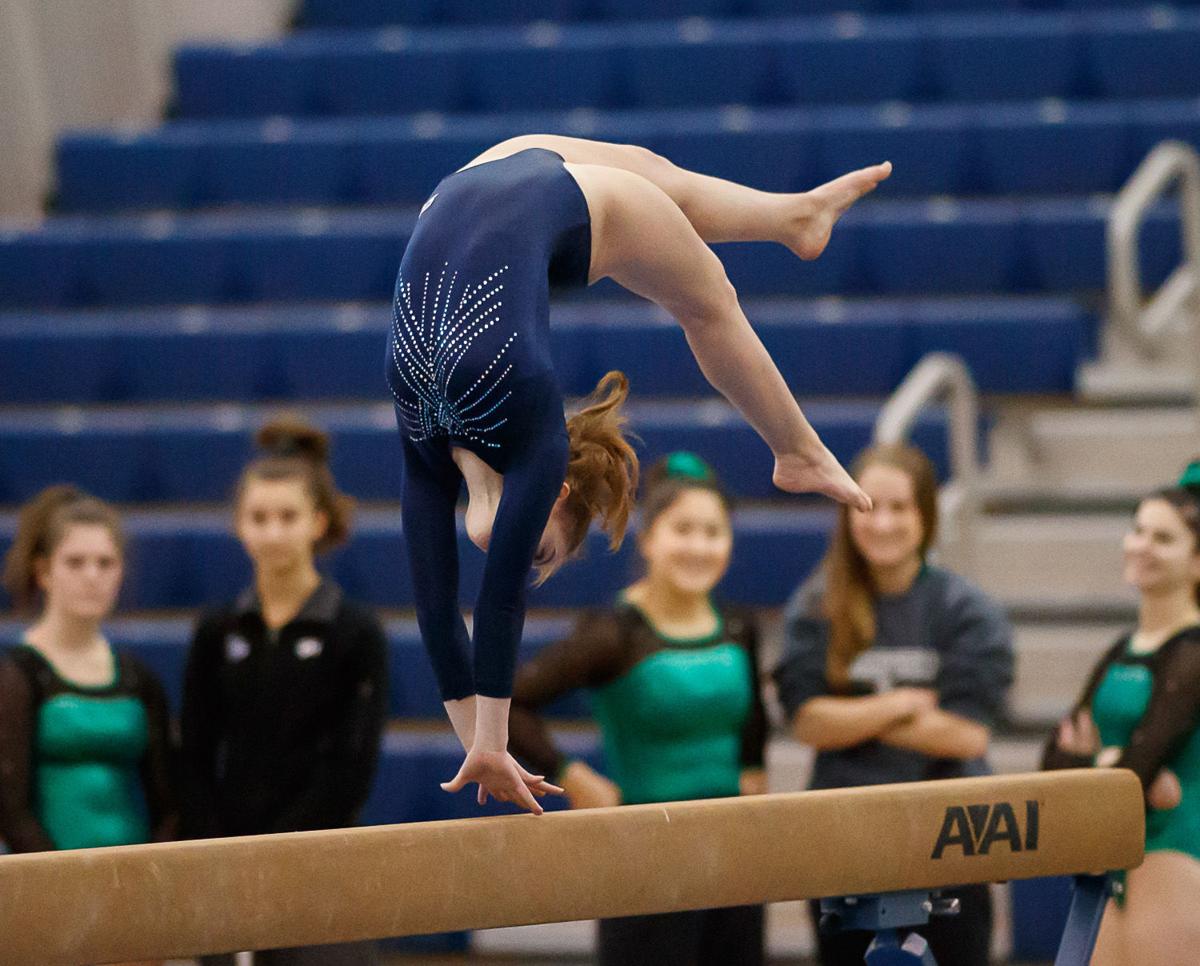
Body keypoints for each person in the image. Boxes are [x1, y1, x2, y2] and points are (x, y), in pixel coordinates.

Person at [390, 133, 890, 812]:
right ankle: (793, 217)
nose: (511, 550)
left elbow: (491, 602)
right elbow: (439, 608)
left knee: (709, 300)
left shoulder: (522, 437)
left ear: (556, 490)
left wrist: (488, 741)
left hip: (526, 193)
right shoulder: (427, 442)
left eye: (535, 550)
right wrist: (483, 746)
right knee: (660, 179)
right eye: (536, 550)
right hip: (477, 187)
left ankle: (798, 450)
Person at [507, 452, 768, 966]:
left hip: (733, 849)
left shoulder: (739, 626)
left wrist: (754, 767)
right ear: (648, 539)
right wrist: (571, 774)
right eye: (683, 530)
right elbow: (511, 705)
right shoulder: (614, 633)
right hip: (644, 851)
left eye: (713, 532)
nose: (699, 546)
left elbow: (754, 715)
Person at [772, 442, 1013, 966]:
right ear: (846, 516)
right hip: (844, 838)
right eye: (868, 507)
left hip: (949, 839)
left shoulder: (966, 610)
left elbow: (966, 735)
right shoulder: (817, 605)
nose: (882, 523)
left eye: (899, 507)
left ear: (925, 515)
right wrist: (901, 704)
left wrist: (850, 717)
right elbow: (806, 722)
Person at [181, 418, 388, 966]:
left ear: (317, 522)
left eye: (287, 517)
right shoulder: (218, 629)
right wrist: (217, 849)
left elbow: (351, 766)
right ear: (239, 526)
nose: (273, 533)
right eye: (259, 518)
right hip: (227, 859)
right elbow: (195, 753)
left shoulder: (354, 631)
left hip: (320, 857)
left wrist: (279, 851)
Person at [0, 486, 176, 966]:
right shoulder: (18, 675)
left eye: (105, 563)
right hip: (48, 891)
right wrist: (65, 886)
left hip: (134, 894)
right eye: (75, 563)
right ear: (44, 571)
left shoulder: (139, 678)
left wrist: (148, 883)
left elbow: (169, 801)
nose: (92, 576)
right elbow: (10, 809)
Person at [1042, 461, 1200, 966]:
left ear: (1197, 562)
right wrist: (1112, 764)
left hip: (1175, 846)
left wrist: (1102, 762)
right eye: (1138, 531)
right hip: (1112, 851)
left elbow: (1141, 765)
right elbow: (1053, 763)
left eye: (1163, 538)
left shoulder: (1193, 651)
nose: (1142, 546)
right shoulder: (1121, 648)